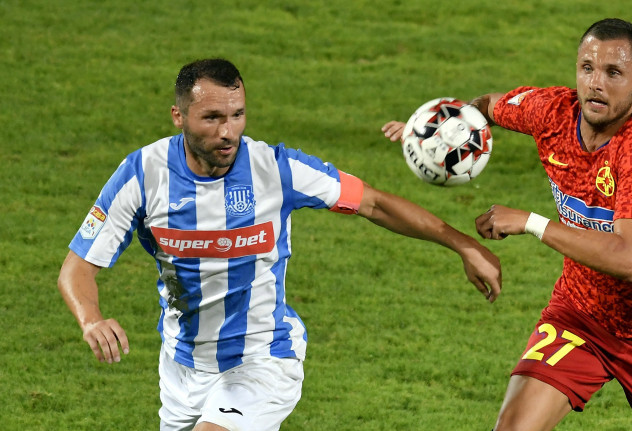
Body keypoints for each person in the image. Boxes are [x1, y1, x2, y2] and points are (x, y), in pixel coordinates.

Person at [58, 58, 502, 431]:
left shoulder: (275, 169)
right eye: (212, 118)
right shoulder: (142, 175)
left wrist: (463, 245)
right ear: (179, 117)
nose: (227, 131)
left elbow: (374, 204)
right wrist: (90, 319)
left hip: (263, 360)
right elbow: (77, 266)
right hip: (181, 369)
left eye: (237, 115)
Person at [382, 18, 632, 431]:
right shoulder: (552, 112)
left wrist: (530, 222)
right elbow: (485, 106)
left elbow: (630, 260)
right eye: (587, 68)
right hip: (580, 314)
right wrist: (431, 133)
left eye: (614, 73)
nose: (596, 83)